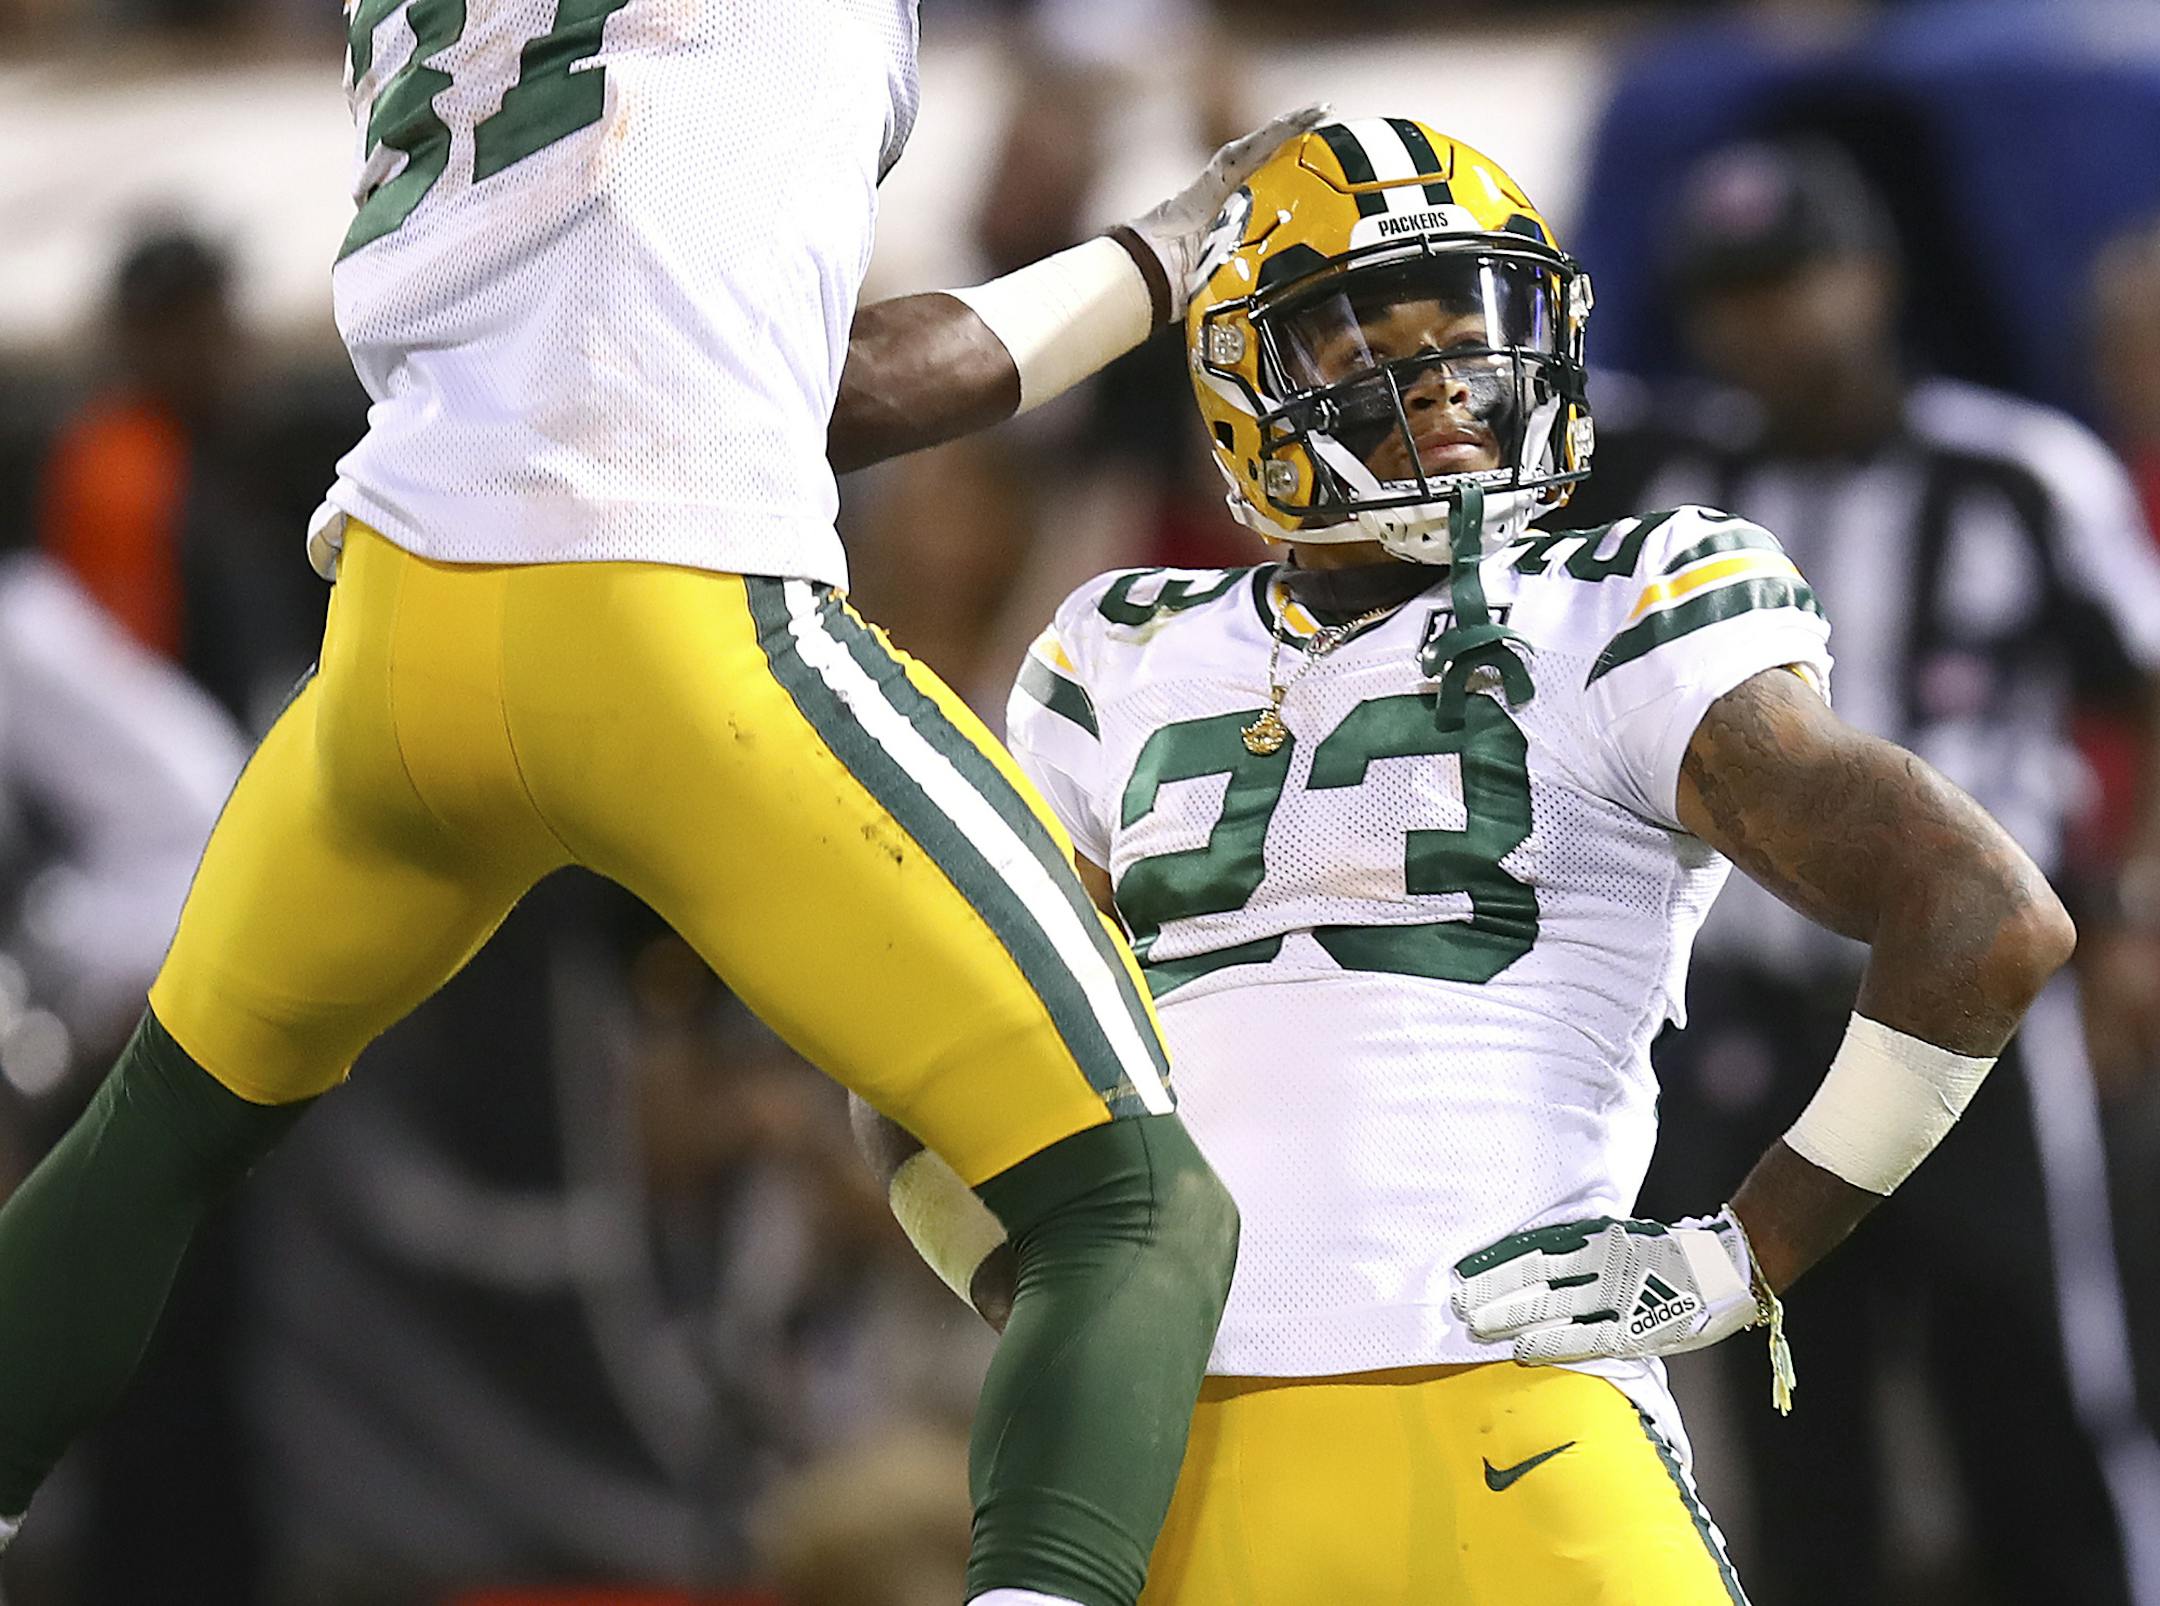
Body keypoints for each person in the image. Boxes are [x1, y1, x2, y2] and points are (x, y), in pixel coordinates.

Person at [0, 7, 1328, 1603]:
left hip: (397, 646)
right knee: (1139, 1204)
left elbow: (824, 377)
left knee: (153, 1138)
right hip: (669, 612)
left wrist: (1154, 257)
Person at [853, 116, 2078, 1603]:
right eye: (1369, 333)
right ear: (1245, 376)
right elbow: (924, 1041)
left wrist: (1743, 1254)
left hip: (1501, 1405)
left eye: (1474, 330)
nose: (1443, 381)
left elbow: (1983, 913)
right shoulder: (1118, 650)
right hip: (1166, 1448)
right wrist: (1048, 1294)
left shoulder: (1619, 602)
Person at [1570, 140, 2160, 1606]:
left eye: (1793, 282)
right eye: (1730, 297)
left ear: (1875, 278)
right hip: (1750, 1025)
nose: (1769, 326)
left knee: (2035, 1391)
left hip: (1978, 1022)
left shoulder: (2016, 472)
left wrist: (2138, 915)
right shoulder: (1666, 488)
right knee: (1789, 1432)